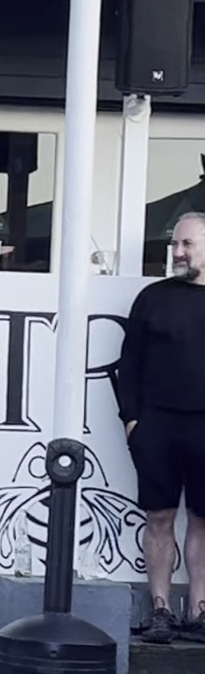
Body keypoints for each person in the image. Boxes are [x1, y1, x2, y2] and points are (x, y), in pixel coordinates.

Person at [118, 212, 205, 644]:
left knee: (203, 519)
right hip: (157, 425)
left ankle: (199, 612)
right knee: (159, 516)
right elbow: (129, 364)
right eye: (174, 245)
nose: (178, 253)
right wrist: (132, 422)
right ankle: (160, 610)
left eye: (187, 244)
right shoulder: (152, 298)